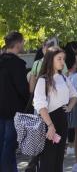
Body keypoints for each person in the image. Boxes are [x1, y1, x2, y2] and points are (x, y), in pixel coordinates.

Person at [33, 46, 77, 172]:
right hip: (49, 122)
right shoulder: (43, 79)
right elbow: (40, 105)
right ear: (50, 59)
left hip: (62, 121)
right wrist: (50, 125)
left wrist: (69, 107)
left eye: (63, 59)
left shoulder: (64, 78)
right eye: (59, 58)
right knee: (48, 160)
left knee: (58, 159)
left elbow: (75, 95)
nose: (62, 62)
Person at [0, 31, 30, 172]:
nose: (23, 44)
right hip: (13, 112)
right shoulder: (17, 64)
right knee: (9, 146)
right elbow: (23, 89)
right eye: (23, 42)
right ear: (18, 44)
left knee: (3, 146)